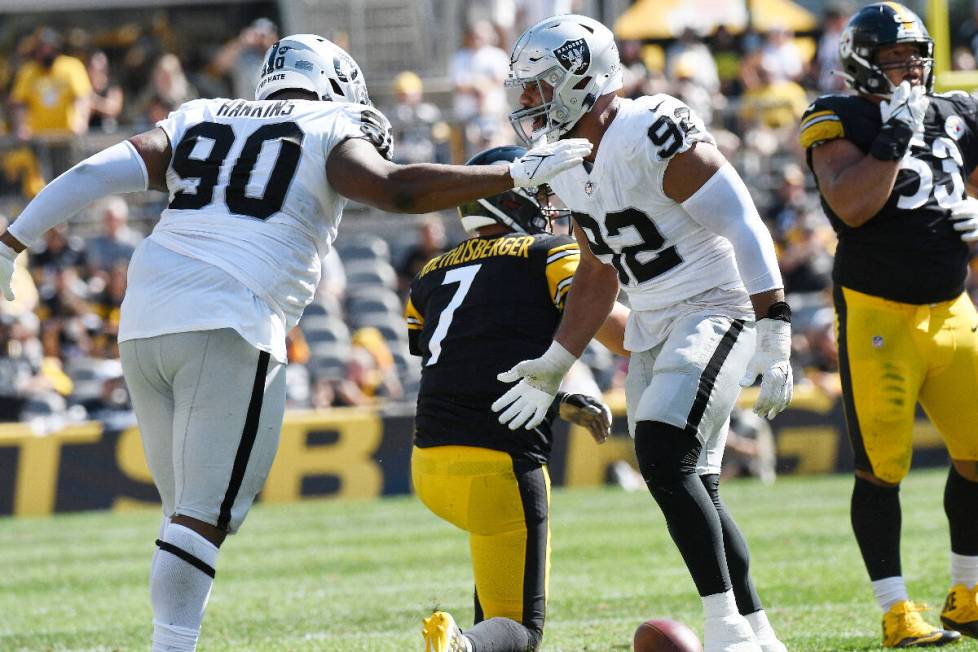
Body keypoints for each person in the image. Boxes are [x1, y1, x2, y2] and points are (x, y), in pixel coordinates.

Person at [0, 34, 590, 652]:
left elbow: (95, 170)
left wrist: (13, 241)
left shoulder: (201, 114)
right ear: (336, 83)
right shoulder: (327, 123)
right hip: (232, 313)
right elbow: (396, 190)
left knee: (183, 516)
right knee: (205, 517)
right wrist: (508, 173)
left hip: (145, 318)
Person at [493, 15, 792, 652]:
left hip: (717, 304)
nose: (528, 102)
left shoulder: (648, 130)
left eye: (539, 85)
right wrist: (555, 361)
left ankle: (727, 632)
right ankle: (760, 635)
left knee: (660, 450)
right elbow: (599, 273)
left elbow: (743, 224)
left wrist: (775, 323)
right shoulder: (567, 161)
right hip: (656, 321)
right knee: (694, 481)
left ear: (583, 78)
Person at [799, 2, 978, 647]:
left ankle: (969, 593)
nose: (910, 70)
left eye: (916, 57)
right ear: (862, 64)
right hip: (878, 313)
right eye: (894, 59)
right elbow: (851, 206)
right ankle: (897, 610)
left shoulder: (960, 113)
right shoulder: (837, 116)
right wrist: (894, 135)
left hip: (953, 310)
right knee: (882, 469)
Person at [407, 146, 627, 652]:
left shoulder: (431, 273)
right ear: (514, 199)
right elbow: (617, 332)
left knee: (498, 604)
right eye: (544, 192)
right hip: (499, 463)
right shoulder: (550, 252)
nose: (551, 205)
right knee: (521, 628)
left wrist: (561, 400)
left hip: (430, 464)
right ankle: (459, 645)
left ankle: (470, 642)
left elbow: (471, 357)